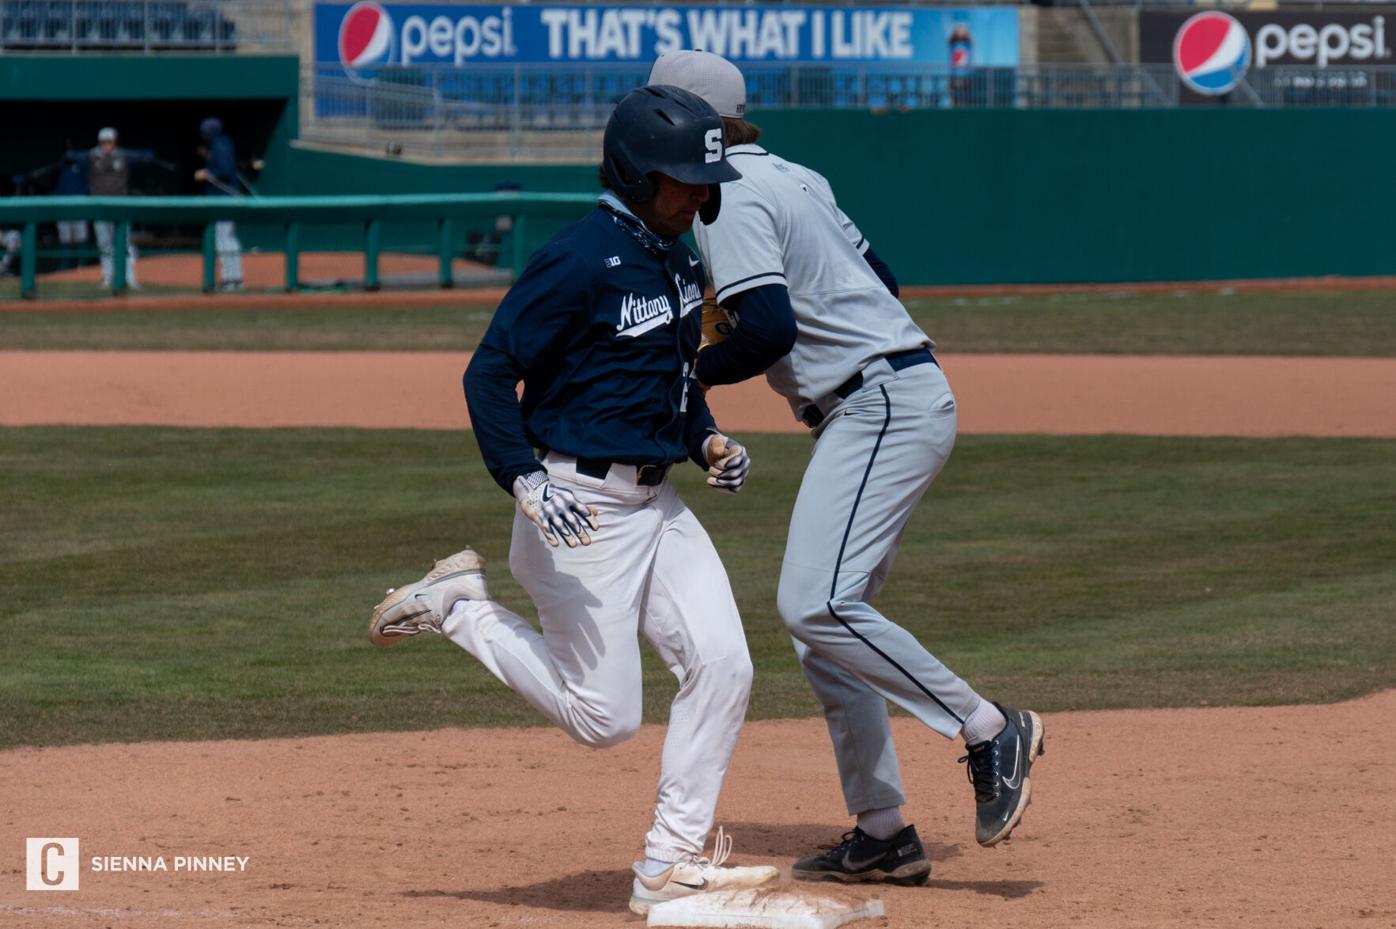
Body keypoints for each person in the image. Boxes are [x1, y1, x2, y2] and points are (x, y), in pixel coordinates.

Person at [367, 84, 778, 916]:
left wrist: (704, 438)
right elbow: (488, 372)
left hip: (658, 505)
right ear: (634, 174)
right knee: (605, 718)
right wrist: (522, 478)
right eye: (684, 180)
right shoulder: (576, 258)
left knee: (726, 663)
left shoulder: (677, 255)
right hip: (576, 507)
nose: (703, 197)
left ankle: (669, 862)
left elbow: (671, 375)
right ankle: (459, 608)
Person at [649, 50, 1045, 886]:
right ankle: (884, 830)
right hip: (891, 393)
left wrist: (684, 367)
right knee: (831, 629)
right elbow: (882, 279)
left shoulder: (724, 198)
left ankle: (987, 726)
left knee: (814, 601)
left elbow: (766, 333)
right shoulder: (796, 175)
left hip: (880, 405)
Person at [89, 127, 157, 289]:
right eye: (103, 142)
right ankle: (107, 277)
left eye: (109, 142)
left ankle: (130, 278)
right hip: (100, 206)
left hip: (120, 206)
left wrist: (149, 156)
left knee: (124, 243)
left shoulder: (123, 155)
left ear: (114, 142)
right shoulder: (92, 156)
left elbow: (144, 156)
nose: (106, 145)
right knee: (104, 244)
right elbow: (76, 157)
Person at [194, 117, 244, 291]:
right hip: (226, 197)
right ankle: (234, 278)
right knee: (228, 238)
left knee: (224, 239)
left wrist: (206, 172)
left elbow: (224, 169)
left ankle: (232, 279)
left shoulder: (219, 143)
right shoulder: (222, 142)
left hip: (225, 198)